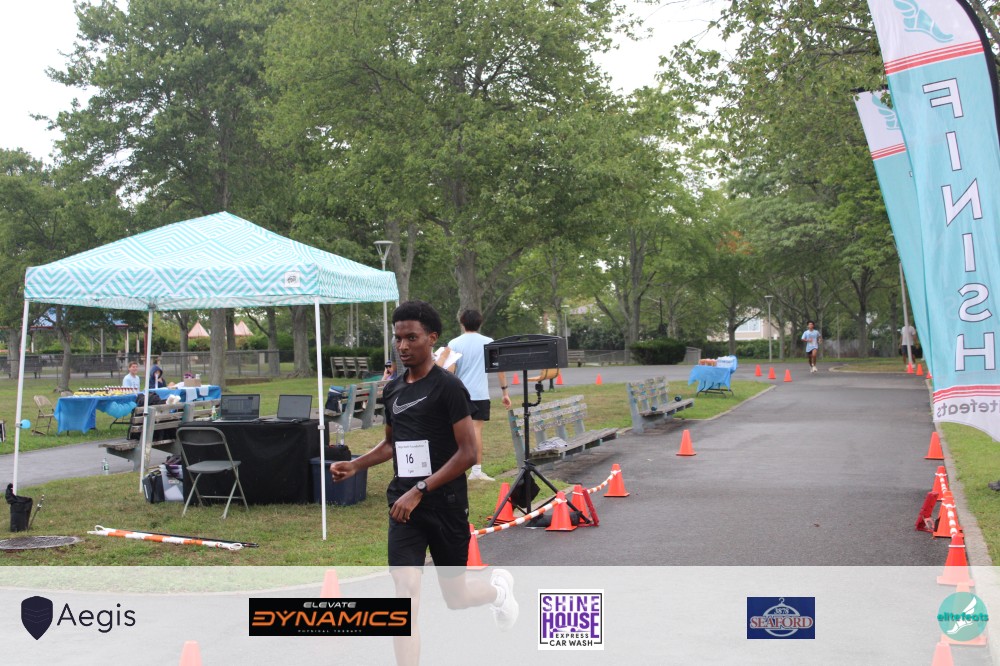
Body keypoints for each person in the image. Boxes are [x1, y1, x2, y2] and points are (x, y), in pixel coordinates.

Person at [330, 300, 518, 666]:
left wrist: (421, 489)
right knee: (405, 595)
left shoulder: (449, 388)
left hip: (445, 504)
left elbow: (468, 453)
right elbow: (391, 443)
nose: (402, 346)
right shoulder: (393, 389)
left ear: (432, 338)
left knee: (457, 598)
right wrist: (355, 465)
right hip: (404, 507)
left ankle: (497, 592)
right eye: (398, 338)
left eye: (411, 338)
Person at [435, 310, 511, 481]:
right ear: (480, 323)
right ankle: (476, 471)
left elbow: (450, 371)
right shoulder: (489, 342)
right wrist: (505, 392)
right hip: (480, 393)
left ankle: (454, 469)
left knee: (456, 432)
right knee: (476, 430)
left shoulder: (454, 343)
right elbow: (499, 369)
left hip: (459, 393)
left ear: (462, 323)